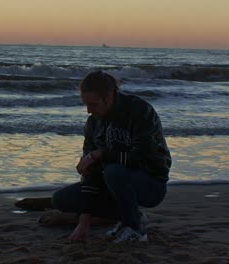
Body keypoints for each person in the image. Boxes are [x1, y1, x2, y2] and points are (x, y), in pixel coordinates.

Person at [51, 70, 171, 243]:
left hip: (151, 183)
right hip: (113, 183)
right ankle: (133, 215)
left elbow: (144, 157)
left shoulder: (140, 111)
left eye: (93, 104)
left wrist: (100, 154)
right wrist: (84, 221)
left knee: (113, 171)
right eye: (86, 105)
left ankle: (135, 229)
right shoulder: (93, 123)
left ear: (109, 96)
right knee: (61, 199)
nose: (88, 111)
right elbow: (91, 172)